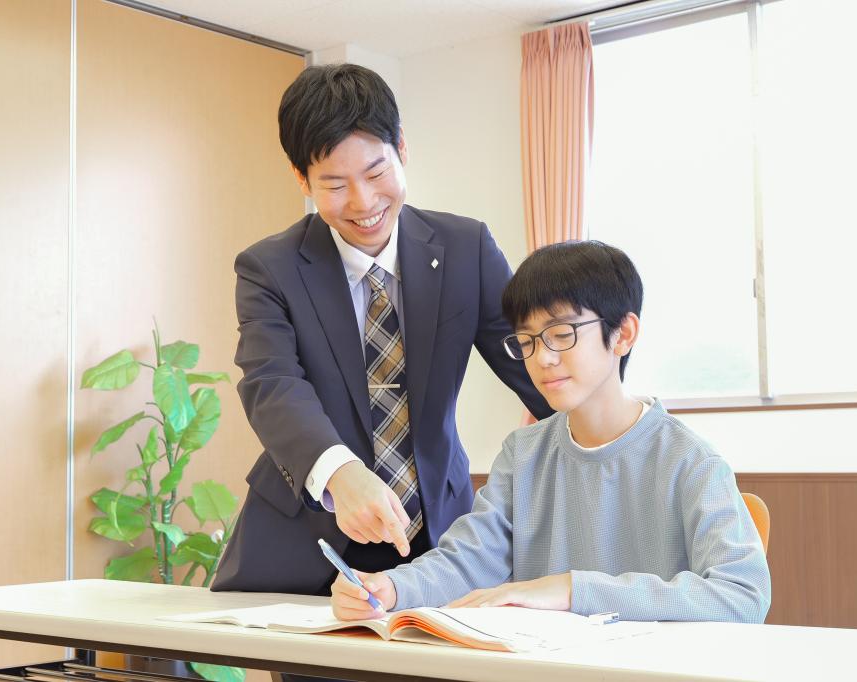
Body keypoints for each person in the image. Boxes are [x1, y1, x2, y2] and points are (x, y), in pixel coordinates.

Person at [211, 63, 552, 596]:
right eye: (335, 184)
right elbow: (271, 385)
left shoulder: (467, 250)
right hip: (308, 546)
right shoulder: (269, 268)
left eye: (375, 173)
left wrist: (622, 431)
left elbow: (537, 363)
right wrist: (342, 475)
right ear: (302, 180)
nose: (364, 203)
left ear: (402, 150)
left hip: (439, 540)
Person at [330, 241, 771, 623]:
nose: (542, 358)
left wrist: (570, 591)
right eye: (527, 341)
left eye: (561, 334)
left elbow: (743, 596)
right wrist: (392, 588)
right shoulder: (523, 454)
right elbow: (470, 560)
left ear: (623, 334)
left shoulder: (689, 460)